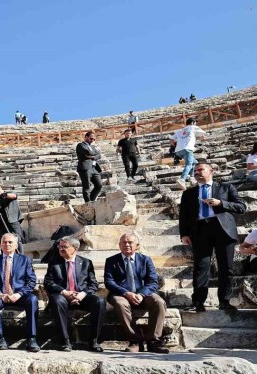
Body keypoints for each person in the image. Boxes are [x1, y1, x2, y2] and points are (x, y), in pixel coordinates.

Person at [179, 163, 246, 312]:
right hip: (200, 230)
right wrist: (184, 233)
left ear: (211, 171)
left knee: (226, 267)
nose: (197, 172)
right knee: (200, 267)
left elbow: (242, 207)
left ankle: (224, 301)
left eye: (200, 169)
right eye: (195, 170)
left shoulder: (226, 188)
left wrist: (220, 203)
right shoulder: (189, 193)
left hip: (223, 229)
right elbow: (183, 215)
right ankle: (198, 302)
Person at [104, 234, 169, 353]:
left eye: (130, 242)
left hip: (144, 293)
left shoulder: (145, 260)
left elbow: (153, 282)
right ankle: (135, 341)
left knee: (159, 302)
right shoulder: (111, 261)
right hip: (121, 294)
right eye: (124, 242)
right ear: (119, 245)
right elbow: (109, 282)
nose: (127, 245)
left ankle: (154, 340)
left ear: (137, 245)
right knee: (120, 303)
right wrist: (126, 293)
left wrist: (141, 294)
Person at [43, 236, 105, 352]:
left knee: (100, 302)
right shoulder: (54, 262)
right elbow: (48, 282)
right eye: (60, 246)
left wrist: (82, 294)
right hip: (63, 296)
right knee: (57, 300)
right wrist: (65, 292)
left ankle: (94, 341)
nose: (61, 249)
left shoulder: (86, 263)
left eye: (64, 247)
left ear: (75, 248)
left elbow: (93, 284)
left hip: (82, 296)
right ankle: (65, 341)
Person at [0, 233, 40, 352]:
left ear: (16, 245)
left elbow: (31, 281)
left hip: (19, 295)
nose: (7, 244)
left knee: (33, 299)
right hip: (1, 296)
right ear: (0, 245)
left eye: (10, 242)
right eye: (4, 242)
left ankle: (32, 338)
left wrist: (19, 294)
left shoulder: (24, 260)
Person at [171, 118, 206, 190]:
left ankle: (192, 177)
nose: (196, 124)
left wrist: (175, 146)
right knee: (189, 164)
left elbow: (171, 140)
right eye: (195, 122)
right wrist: (202, 138)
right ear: (193, 122)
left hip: (178, 151)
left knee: (195, 162)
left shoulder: (180, 131)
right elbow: (203, 135)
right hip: (188, 149)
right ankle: (182, 180)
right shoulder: (193, 127)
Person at [0, 184, 24, 253]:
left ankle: (20, 256)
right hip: (0, 222)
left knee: (17, 239)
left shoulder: (9, 193)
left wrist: (2, 195)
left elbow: (14, 196)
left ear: (0, 188)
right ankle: (4, 257)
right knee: (2, 240)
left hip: (13, 220)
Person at [76, 131, 103, 202]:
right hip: (85, 168)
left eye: (94, 139)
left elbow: (99, 155)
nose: (92, 140)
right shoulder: (80, 145)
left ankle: (91, 201)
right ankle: (88, 203)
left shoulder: (93, 147)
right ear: (86, 137)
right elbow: (88, 152)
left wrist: (92, 157)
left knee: (99, 185)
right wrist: (95, 154)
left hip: (94, 168)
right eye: (91, 138)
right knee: (87, 186)